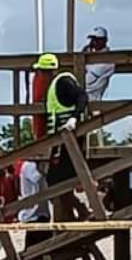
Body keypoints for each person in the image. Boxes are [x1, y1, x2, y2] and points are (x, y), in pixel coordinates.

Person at [33, 54, 90, 223]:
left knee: (56, 180)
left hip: (70, 139)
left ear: (45, 71)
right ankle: (76, 213)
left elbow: (82, 97)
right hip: (62, 140)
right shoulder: (55, 86)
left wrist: (74, 117)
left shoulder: (63, 82)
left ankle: (81, 210)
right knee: (58, 180)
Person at [17, 158, 52, 260]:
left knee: (45, 254)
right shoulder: (29, 166)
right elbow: (38, 178)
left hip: (40, 213)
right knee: (33, 256)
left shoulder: (32, 165)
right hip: (33, 215)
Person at [84, 27, 115, 102]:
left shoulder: (107, 61)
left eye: (97, 40)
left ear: (104, 41)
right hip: (85, 98)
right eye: (92, 40)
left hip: (93, 98)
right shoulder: (90, 54)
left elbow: (87, 81)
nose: (93, 42)